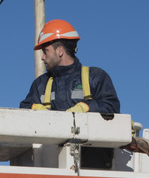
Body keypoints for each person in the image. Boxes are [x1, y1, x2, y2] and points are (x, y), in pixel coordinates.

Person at [20, 19, 121, 170]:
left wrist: (86, 107)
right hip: (52, 170)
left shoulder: (95, 77)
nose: (42, 57)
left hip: (94, 171)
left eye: (45, 51)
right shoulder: (40, 85)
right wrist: (34, 109)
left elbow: (111, 107)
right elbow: (22, 111)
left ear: (60, 51)